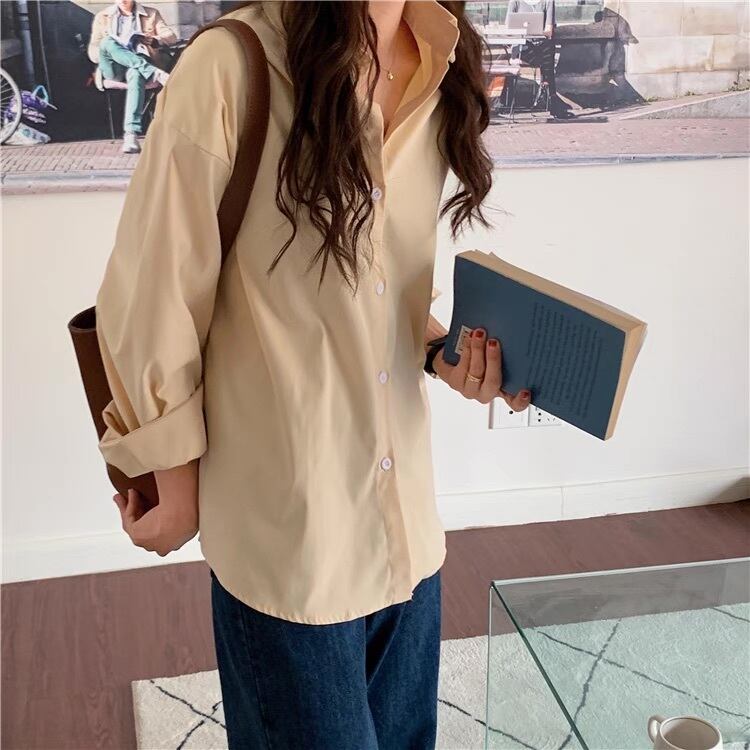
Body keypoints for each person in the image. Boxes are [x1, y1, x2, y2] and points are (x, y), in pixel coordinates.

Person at [95, 1, 532, 747]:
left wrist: (443, 352)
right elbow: (153, 297)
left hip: (406, 534)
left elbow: (377, 287)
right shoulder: (232, 67)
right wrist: (174, 484)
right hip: (290, 539)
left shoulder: (438, 58)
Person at [87, 1, 178, 153]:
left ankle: (131, 135)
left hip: (138, 64)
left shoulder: (151, 14)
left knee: (135, 74)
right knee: (107, 42)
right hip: (114, 68)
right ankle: (153, 72)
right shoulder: (103, 16)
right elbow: (93, 50)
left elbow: (171, 36)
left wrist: (155, 40)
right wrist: (110, 51)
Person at [506, 0, 574, 119]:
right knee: (547, 56)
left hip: (541, 45)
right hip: (523, 46)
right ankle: (551, 97)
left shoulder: (548, 1)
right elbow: (508, 27)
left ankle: (548, 93)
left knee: (548, 46)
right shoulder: (515, 1)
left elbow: (549, 30)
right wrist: (525, 33)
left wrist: (537, 33)